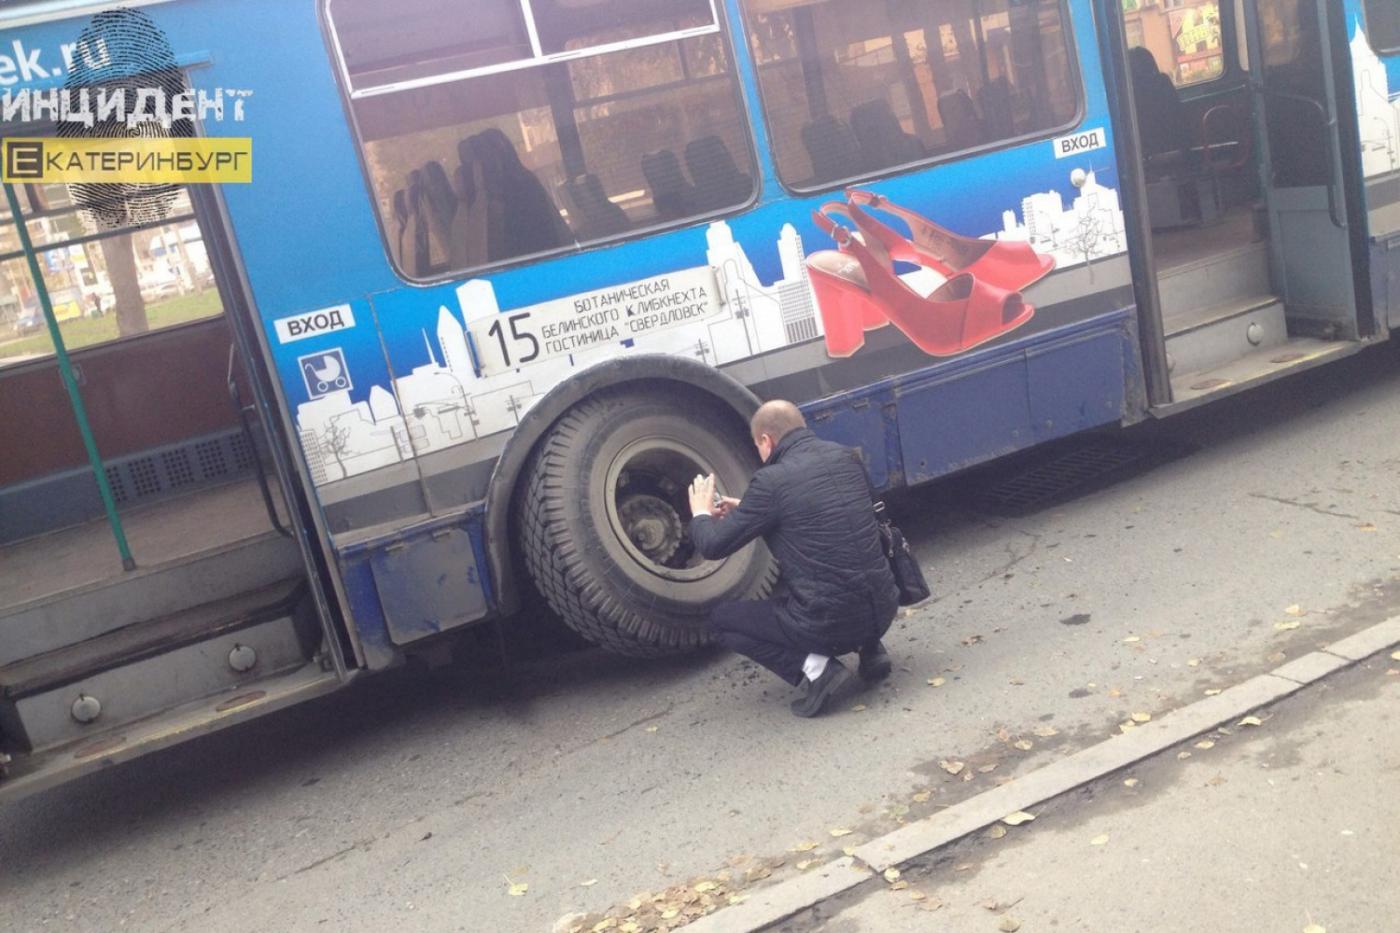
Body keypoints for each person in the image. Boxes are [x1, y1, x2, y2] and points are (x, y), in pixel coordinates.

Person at [687, 400, 899, 717]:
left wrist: (700, 513)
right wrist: (749, 508)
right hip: (884, 609)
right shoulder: (845, 457)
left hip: (832, 623)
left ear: (766, 441)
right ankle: (871, 650)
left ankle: (817, 670)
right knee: (849, 554)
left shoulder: (770, 481)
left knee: (722, 619)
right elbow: (828, 511)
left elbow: (713, 545)